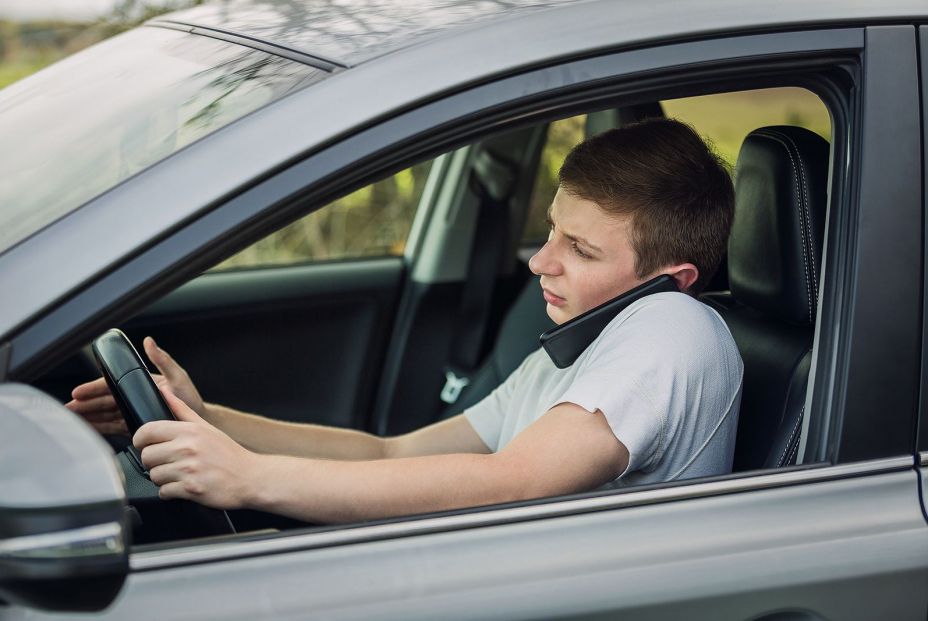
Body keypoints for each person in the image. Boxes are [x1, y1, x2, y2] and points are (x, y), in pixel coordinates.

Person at [67, 118, 743, 524]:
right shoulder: (570, 356)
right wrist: (208, 416)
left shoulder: (674, 326)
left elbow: (516, 480)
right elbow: (389, 453)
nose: (541, 262)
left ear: (670, 279)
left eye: (582, 250)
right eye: (552, 231)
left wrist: (250, 478)